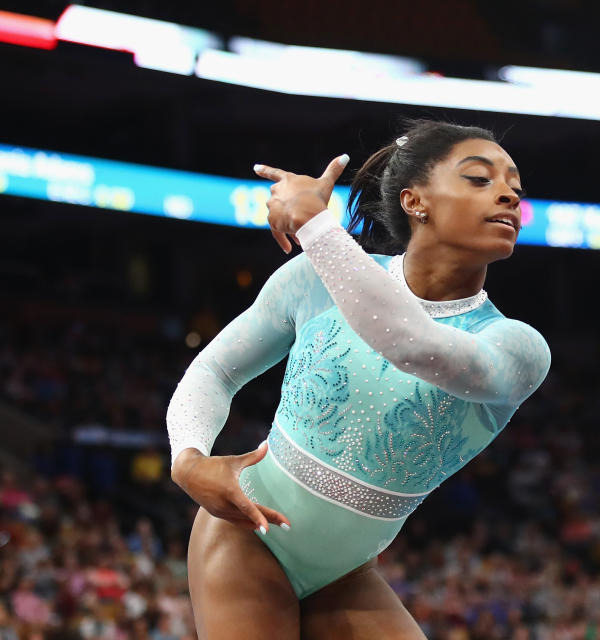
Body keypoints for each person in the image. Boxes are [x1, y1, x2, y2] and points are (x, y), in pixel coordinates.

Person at [166, 120, 551, 639]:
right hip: (246, 534)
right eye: (480, 179)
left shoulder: (516, 347)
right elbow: (214, 370)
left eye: (515, 187)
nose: (509, 194)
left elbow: (415, 344)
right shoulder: (311, 279)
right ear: (416, 201)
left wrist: (316, 227)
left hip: (345, 575)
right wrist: (188, 458)